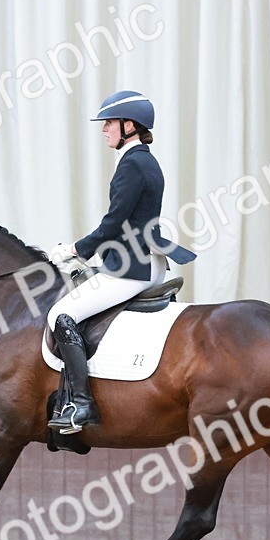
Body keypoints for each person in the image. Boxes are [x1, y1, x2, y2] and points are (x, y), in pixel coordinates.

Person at [46, 90, 196, 435]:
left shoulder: (132, 164)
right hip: (146, 261)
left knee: (60, 315)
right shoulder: (145, 160)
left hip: (131, 269)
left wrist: (75, 250)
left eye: (109, 123)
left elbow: (113, 223)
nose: (104, 130)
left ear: (130, 125)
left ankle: (81, 404)